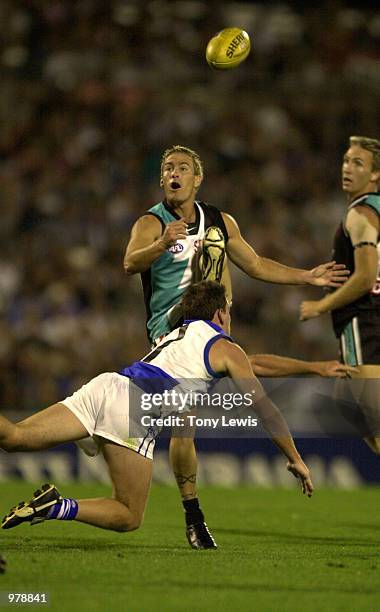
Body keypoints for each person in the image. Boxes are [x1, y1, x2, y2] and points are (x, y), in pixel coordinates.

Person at [123, 144, 348, 547]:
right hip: (171, 328)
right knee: (185, 422)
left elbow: (257, 264)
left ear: (197, 178)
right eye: (168, 168)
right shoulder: (151, 222)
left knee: (209, 396)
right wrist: (161, 244)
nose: (174, 172)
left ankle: (110, 429)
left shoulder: (221, 221)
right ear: (162, 179)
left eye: (183, 168)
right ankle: (193, 515)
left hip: (211, 324)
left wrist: (307, 277)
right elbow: (129, 263)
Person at [1, 281, 313, 543]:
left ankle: (52, 504)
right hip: (134, 406)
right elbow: (265, 410)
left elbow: (251, 363)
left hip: (108, 384)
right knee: (127, 514)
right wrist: (295, 457)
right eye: (228, 312)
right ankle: (56, 507)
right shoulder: (226, 347)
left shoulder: (175, 335)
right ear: (220, 313)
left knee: (15, 437)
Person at [300, 135, 380, 452]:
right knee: (345, 400)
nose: (347, 168)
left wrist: (321, 306)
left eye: (358, 163)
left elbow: (365, 276)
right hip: (369, 322)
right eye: (346, 160)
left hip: (365, 323)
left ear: (375, 175)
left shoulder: (359, 215)